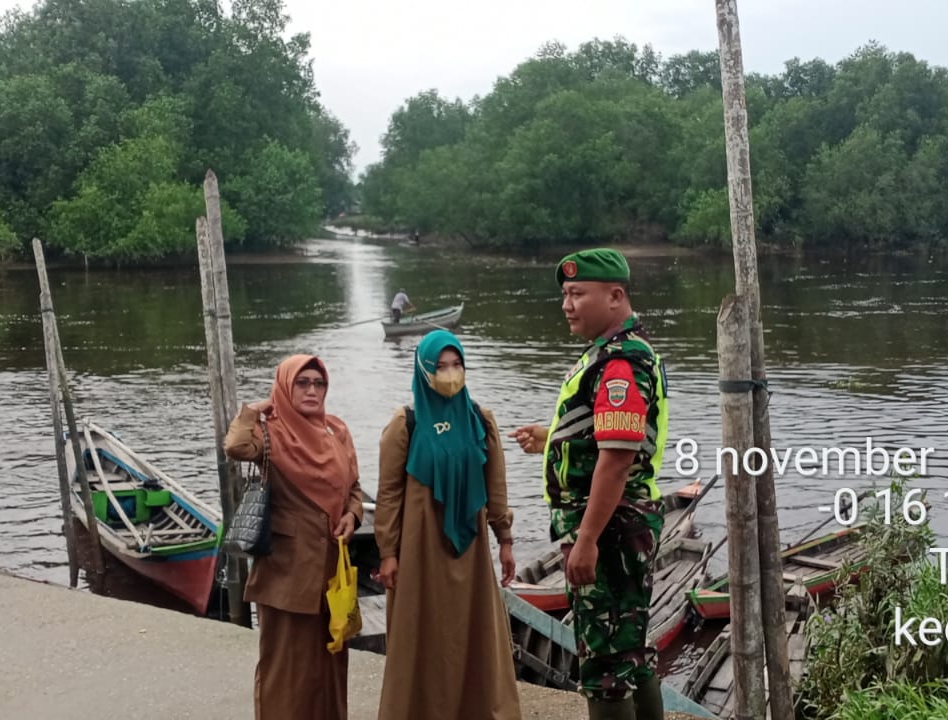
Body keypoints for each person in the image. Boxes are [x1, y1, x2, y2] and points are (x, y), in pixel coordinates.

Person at [509, 249, 669, 720]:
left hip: (610, 527)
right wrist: (554, 438)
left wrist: (586, 540)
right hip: (617, 524)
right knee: (629, 654)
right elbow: (603, 435)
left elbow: (617, 461)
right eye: (565, 294)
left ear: (615, 296)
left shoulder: (620, 362)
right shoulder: (611, 352)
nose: (567, 304)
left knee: (604, 663)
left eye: (578, 294)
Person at [374, 330, 523, 720]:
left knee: (474, 632)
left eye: (457, 365)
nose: (450, 374)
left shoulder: (479, 421)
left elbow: (496, 487)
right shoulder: (405, 425)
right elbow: (388, 494)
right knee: (422, 632)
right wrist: (388, 553)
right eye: (440, 367)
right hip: (420, 549)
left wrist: (504, 539)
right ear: (424, 370)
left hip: (470, 551)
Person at [224, 354, 367, 720]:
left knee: (330, 665)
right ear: (286, 387)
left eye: (318, 384)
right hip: (287, 573)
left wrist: (352, 514)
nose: (312, 390)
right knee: (286, 670)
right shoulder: (271, 432)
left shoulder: (337, 431)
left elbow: (354, 487)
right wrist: (255, 409)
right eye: (302, 383)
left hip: (332, 572)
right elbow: (235, 447)